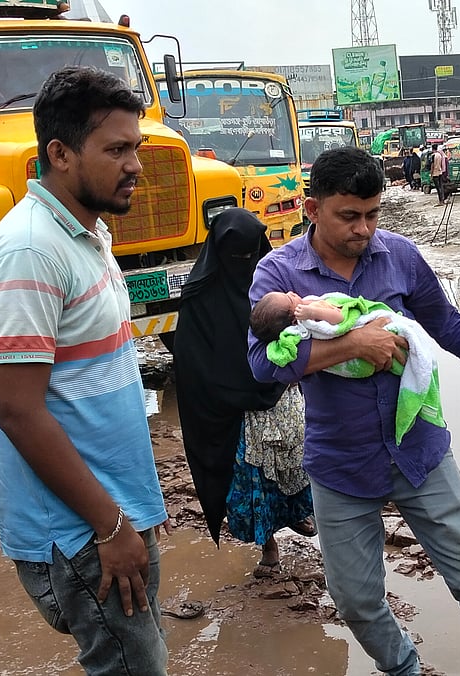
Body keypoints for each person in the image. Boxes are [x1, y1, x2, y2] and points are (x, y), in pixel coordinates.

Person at [247, 145, 460, 676]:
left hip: (421, 451)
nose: (364, 229)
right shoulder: (279, 274)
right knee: (356, 601)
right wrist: (352, 346)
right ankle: (404, 669)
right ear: (312, 209)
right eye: (349, 216)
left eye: (373, 214)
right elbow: (262, 364)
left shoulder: (399, 255)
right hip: (342, 464)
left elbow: (447, 325)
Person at [0, 67, 170, 674]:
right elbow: (18, 411)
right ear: (58, 153)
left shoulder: (88, 232)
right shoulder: (29, 251)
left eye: (135, 147)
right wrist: (110, 529)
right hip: (81, 532)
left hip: (112, 513)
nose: (134, 164)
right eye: (116, 150)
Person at [173, 208, 315, 579]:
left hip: (280, 395)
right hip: (236, 411)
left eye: (250, 255)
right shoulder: (200, 296)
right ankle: (269, 547)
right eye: (236, 257)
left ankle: (298, 514)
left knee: (295, 463)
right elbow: (192, 363)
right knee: (255, 480)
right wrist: (232, 390)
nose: (244, 264)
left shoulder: (271, 284)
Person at [251, 290, 444, 445]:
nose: (292, 292)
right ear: (293, 320)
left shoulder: (306, 312)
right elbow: (337, 318)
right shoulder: (305, 312)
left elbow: (342, 313)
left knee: (408, 351)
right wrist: (354, 342)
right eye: (289, 298)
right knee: (411, 363)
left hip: (422, 447)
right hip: (340, 451)